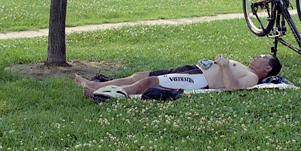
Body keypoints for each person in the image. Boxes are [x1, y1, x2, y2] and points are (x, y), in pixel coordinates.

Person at [75, 54, 281, 97]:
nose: (257, 56)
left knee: (147, 82)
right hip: (193, 70)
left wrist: (225, 65)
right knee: (139, 75)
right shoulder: (247, 68)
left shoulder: (253, 77)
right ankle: (96, 85)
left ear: (268, 69)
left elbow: (233, 88)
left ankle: (99, 93)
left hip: (198, 80)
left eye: (263, 57)